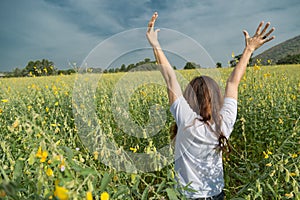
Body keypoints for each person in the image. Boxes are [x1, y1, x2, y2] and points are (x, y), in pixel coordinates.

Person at [146, 12, 275, 199]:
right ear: (217, 98)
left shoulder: (185, 119)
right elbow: (233, 83)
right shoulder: (225, 123)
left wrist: (155, 45)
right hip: (216, 194)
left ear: (189, 97)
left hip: (187, 195)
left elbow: (169, 77)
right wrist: (249, 50)